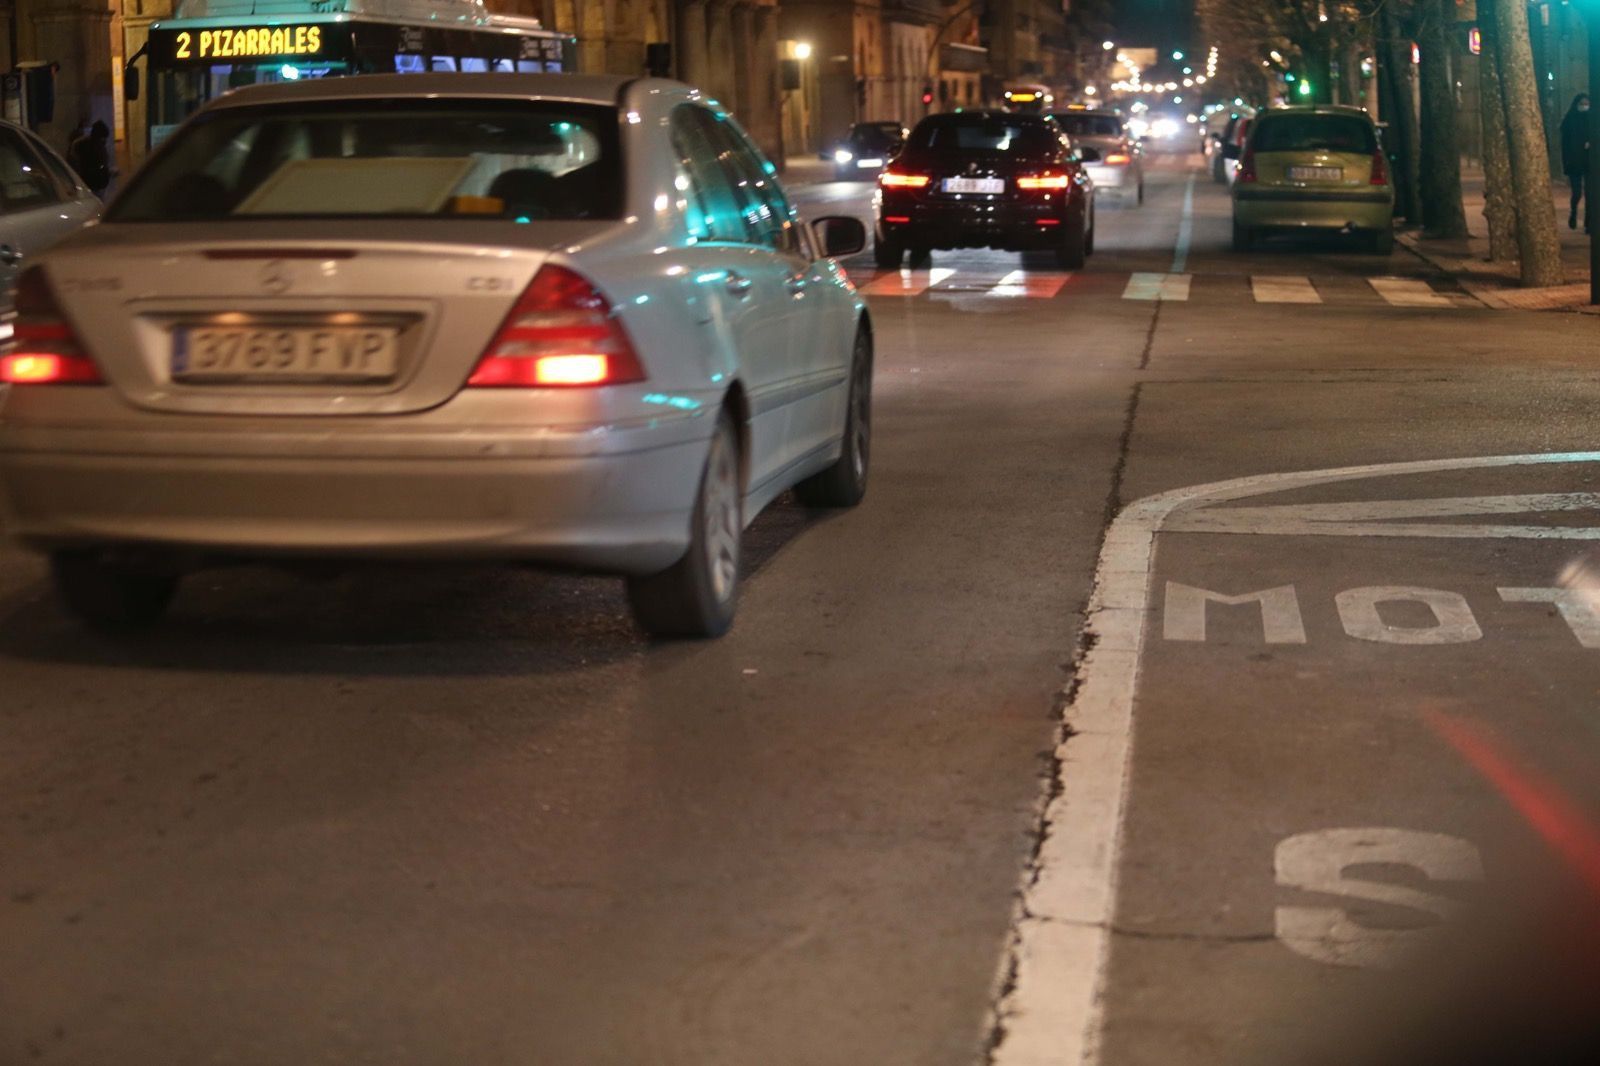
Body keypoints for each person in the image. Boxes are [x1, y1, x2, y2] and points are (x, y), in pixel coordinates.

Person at [1560, 93, 1591, 232]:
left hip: (1589, 162)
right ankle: (1573, 212)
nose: (1585, 106)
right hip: (1574, 163)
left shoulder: (1592, 120)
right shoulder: (1569, 121)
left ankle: (1589, 223)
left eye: (1587, 104)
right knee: (1577, 193)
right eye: (1582, 103)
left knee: (1591, 194)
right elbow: (1565, 145)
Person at [68, 119, 113, 198]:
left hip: (85, 182)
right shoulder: (97, 147)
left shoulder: (79, 144)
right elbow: (102, 163)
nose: (105, 141)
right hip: (94, 183)